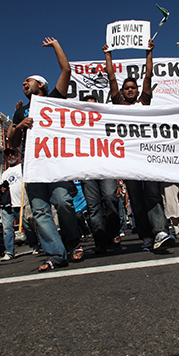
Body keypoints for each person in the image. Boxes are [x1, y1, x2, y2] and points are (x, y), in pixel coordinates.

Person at [7, 37, 82, 272]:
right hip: (32, 163)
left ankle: (73, 243)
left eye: (28, 80)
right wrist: (19, 126)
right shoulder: (20, 111)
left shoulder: (54, 99)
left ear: (41, 85)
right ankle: (55, 253)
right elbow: (12, 142)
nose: (23, 83)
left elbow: (66, 69)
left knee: (62, 201)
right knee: (39, 209)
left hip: (55, 160)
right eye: (22, 82)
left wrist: (56, 45)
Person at [104, 40, 175, 252]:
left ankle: (160, 232)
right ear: (122, 92)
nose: (130, 90)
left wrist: (149, 53)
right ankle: (146, 236)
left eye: (132, 87)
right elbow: (111, 78)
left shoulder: (144, 101)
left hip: (148, 155)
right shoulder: (118, 103)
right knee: (136, 199)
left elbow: (148, 76)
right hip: (128, 159)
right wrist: (108, 55)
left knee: (152, 194)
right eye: (126, 88)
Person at [79, 96, 122, 255]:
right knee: (93, 206)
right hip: (87, 170)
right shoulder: (76, 126)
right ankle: (100, 239)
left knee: (110, 197)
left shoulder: (106, 122)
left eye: (94, 105)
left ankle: (113, 231)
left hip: (106, 167)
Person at [0, 148, 40, 260]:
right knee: (7, 229)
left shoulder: (23, 168)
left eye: (13, 154)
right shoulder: (5, 173)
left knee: (28, 226)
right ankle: (9, 251)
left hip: (21, 203)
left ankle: (35, 245)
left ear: (17, 155)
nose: (10, 156)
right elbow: (1, 187)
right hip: (7, 204)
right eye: (8, 155)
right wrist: (2, 189)